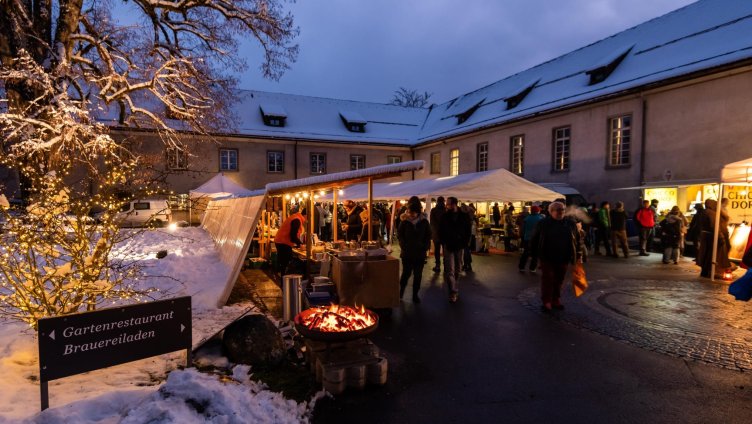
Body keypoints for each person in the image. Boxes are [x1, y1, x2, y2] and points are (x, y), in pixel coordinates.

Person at [530, 201, 584, 312]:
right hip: (547, 257)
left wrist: (579, 254)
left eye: (562, 209)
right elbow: (535, 239)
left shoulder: (570, 223)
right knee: (548, 279)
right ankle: (547, 301)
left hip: (564, 256)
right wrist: (535, 255)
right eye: (558, 210)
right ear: (550, 211)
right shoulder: (543, 223)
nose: (561, 212)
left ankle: (556, 299)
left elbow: (577, 240)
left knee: (559, 280)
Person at [397, 201, 431, 303]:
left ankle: (415, 295)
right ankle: (400, 293)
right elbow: (400, 235)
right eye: (409, 211)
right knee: (405, 274)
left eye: (412, 212)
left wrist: (425, 247)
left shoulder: (424, 222)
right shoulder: (404, 221)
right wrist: (404, 246)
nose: (410, 214)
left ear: (417, 212)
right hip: (407, 253)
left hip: (420, 254)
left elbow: (428, 236)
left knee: (418, 275)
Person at [439, 197, 471, 303]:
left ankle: (454, 286)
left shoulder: (464, 216)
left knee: (458, 268)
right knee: (449, 270)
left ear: (454, 204)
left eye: (448, 204)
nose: (447, 206)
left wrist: (465, 242)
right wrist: (443, 241)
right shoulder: (445, 216)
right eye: (446, 204)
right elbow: (441, 230)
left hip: (459, 245)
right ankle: (452, 291)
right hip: (448, 245)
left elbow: (468, 230)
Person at [697, 199, 732, 278]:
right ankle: (714, 272)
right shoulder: (711, 213)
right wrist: (721, 237)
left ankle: (707, 272)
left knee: (708, 255)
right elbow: (714, 226)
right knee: (713, 255)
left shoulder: (707, 212)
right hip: (713, 237)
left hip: (710, 237)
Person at [273, 208, 306, 277]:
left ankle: (282, 278)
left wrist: (298, 244)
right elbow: (293, 235)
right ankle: (285, 280)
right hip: (283, 242)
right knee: (286, 262)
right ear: (306, 215)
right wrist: (300, 244)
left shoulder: (295, 217)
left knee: (283, 262)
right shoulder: (297, 220)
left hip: (281, 241)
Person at [518, 205, 544, 272]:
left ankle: (521, 267)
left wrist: (522, 236)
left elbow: (522, 229)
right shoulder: (540, 218)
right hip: (536, 239)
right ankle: (532, 268)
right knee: (535, 254)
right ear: (537, 211)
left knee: (525, 253)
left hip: (527, 238)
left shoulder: (527, 218)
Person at [429, 196, 446, 272]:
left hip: (436, 234)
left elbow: (432, 223)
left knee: (437, 250)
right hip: (445, 234)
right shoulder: (446, 210)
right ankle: (446, 266)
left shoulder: (433, 210)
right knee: (445, 251)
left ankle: (437, 265)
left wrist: (433, 233)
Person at [460, 203, 476, 272]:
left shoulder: (466, 217)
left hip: (465, 236)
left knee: (466, 251)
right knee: (466, 251)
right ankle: (467, 265)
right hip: (468, 236)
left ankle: (467, 265)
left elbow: (465, 228)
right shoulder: (470, 216)